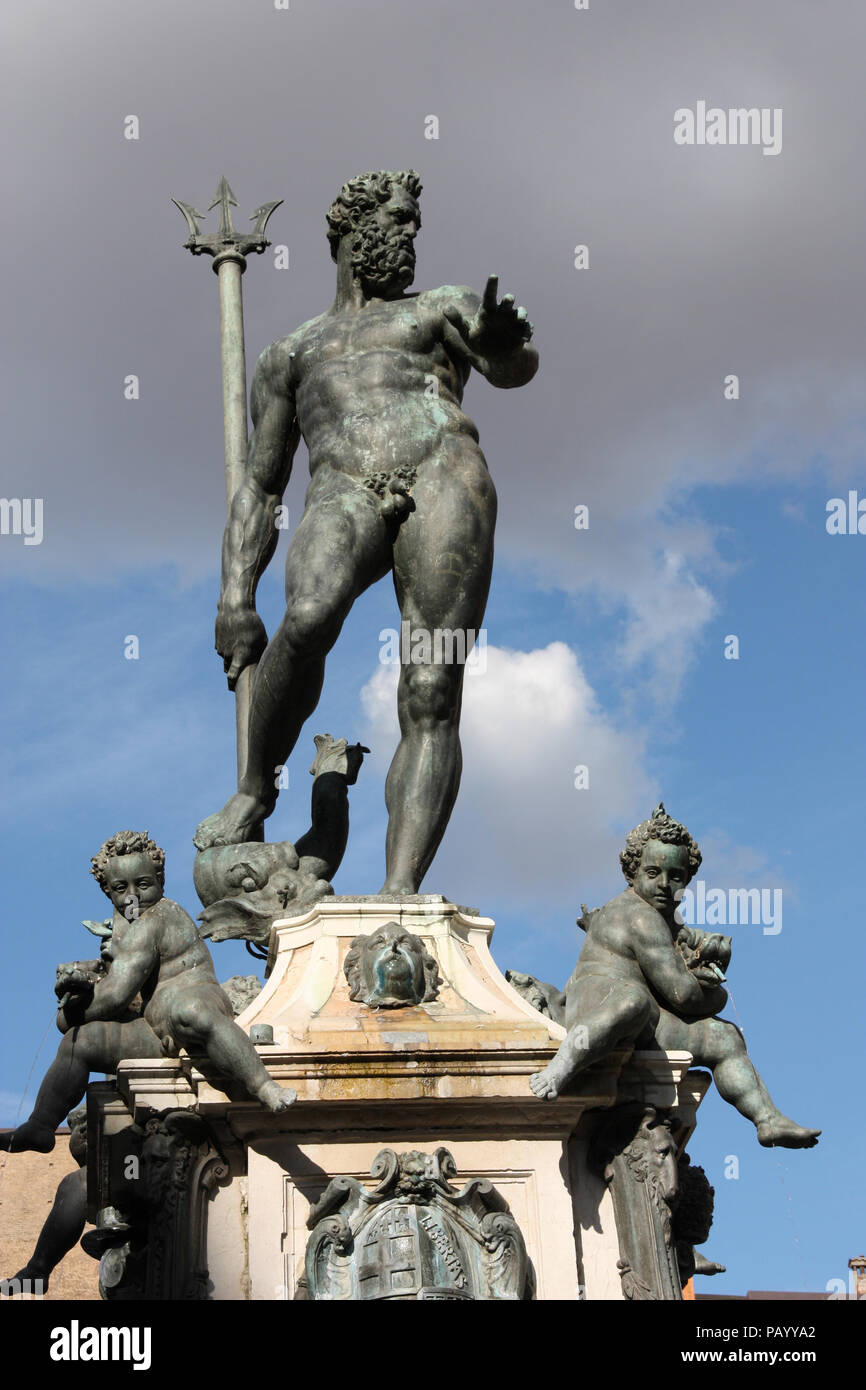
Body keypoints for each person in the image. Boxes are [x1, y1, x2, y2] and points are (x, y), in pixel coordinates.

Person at [193, 169, 538, 894]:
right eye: (399, 222)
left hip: (444, 475)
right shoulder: (291, 353)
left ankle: (400, 891)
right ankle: (257, 787)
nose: (411, 236)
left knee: (431, 684)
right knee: (310, 614)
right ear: (352, 233)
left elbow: (511, 365)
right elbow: (260, 484)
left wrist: (506, 345)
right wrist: (235, 596)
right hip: (343, 487)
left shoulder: (440, 308)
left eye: (416, 223)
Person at [528, 805, 821, 1149]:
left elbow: (687, 943)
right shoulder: (640, 917)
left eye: (676, 877)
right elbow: (681, 993)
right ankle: (561, 1067)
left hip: (643, 1021)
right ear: (632, 872)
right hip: (600, 1008)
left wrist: (708, 951)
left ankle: (767, 1119)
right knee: (632, 1001)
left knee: (724, 1038)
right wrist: (717, 995)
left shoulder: (663, 918)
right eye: (653, 873)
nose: (665, 885)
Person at [0, 831, 296, 1155]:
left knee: (192, 1014)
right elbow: (117, 978)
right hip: (154, 1028)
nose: (132, 897)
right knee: (80, 1043)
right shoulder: (127, 920)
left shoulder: (159, 916)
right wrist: (82, 982)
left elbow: (116, 995)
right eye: (120, 888)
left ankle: (263, 1086)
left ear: (160, 879)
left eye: (142, 885)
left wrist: (67, 1014)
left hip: (192, 997)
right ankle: (41, 1125)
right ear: (107, 890)